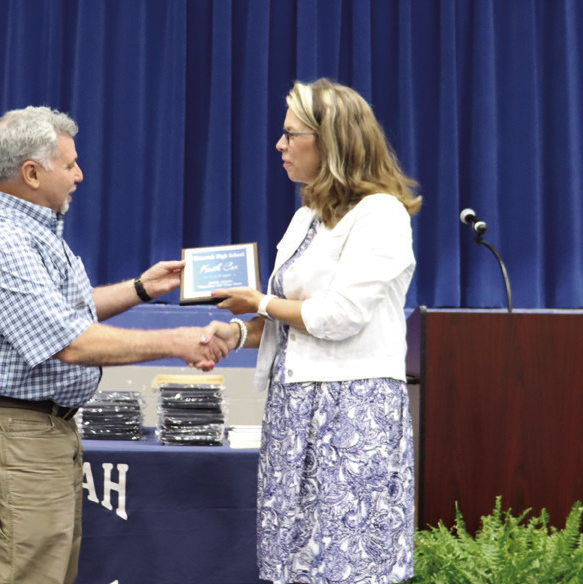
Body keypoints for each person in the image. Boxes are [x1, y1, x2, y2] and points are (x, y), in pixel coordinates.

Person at [0, 105, 230, 584]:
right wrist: (176, 341)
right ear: (31, 173)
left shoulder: (30, 229)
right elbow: (68, 341)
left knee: (46, 570)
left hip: (30, 428)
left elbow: (62, 312)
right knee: (33, 574)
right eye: (69, 164)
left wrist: (141, 288)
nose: (80, 175)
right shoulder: (2, 242)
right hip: (13, 432)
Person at [204, 79, 423, 584]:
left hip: (351, 410)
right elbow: (290, 317)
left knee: (347, 560)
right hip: (295, 405)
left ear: (332, 141)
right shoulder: (306, 216)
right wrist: (238, 332)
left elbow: (339, 316)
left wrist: (258, 300)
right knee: (295, 556)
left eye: (290, 134)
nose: (279, 145)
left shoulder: (381, 214)